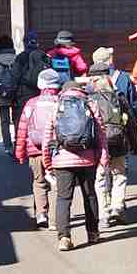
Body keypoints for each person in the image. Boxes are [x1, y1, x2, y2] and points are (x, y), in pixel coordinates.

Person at [41, 76, 108, 251]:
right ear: (80, 90)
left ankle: (64, 238)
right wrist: (103, 159)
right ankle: (93, 233)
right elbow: (101, 134)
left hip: (62, 160)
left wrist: (48, 163)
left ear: (63, 91)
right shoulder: (90, 104)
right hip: (87, 159)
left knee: (63, 198)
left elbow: (47, 137)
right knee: (90, 195)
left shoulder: (57, 106)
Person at [87, 55, 135, 228]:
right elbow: (130, 122)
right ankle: (118, 207)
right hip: (118, 142)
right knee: (119, 175)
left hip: (98, 145)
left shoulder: (89, 99)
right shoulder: (118, 96)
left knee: (100, 178)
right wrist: (134, 144)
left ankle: (103, 215)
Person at [14, 67, 63, 228]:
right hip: (56, 150)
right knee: (57, 183)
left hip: (35, 149)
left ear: (40, 84)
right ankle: (55, 220)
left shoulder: (32, 103)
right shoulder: (61, 101)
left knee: (39, 182)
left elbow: (22, 129)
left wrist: (20, 152)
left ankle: (41, 214)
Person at [0, 34, 21, 153]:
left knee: (4, 121)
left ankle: (7, 146)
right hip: (16, 93)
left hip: (1, 95)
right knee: (17, 120)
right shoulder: (18, 60)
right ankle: (18, 143)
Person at [14, 30, 52, 109]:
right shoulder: (44, 55)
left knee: (24, 114)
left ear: (25, 42)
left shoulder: (21, 57)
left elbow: (15, 75)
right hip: (41, 92)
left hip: (25, 93)